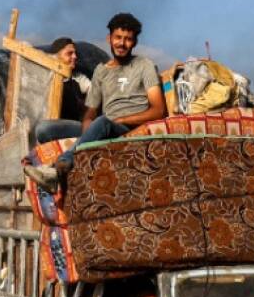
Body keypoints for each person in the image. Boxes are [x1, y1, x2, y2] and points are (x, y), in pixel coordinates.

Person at [24, 12, 167, 192]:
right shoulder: (101, 71)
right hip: (103, 126)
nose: (122, 43)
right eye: (118, 37)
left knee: (103, 121)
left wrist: (121, 120)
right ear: (109, 38)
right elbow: (90, 112)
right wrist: (87, 131)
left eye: (128, 39)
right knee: (44, 129)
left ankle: (57, 169)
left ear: (135, 42)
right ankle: (85, 145)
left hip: (127, 128)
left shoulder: (144, 65)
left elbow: (158, 110)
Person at [32, 37, 91, 145]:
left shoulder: (78, 78)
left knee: (44, 129)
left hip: (73, 128)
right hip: (51, 128)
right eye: (69, 53)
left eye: (75, 53)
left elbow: (93, 90)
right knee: (42, 129)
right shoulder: (45, 78)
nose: (75, 56)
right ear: (56, 57)